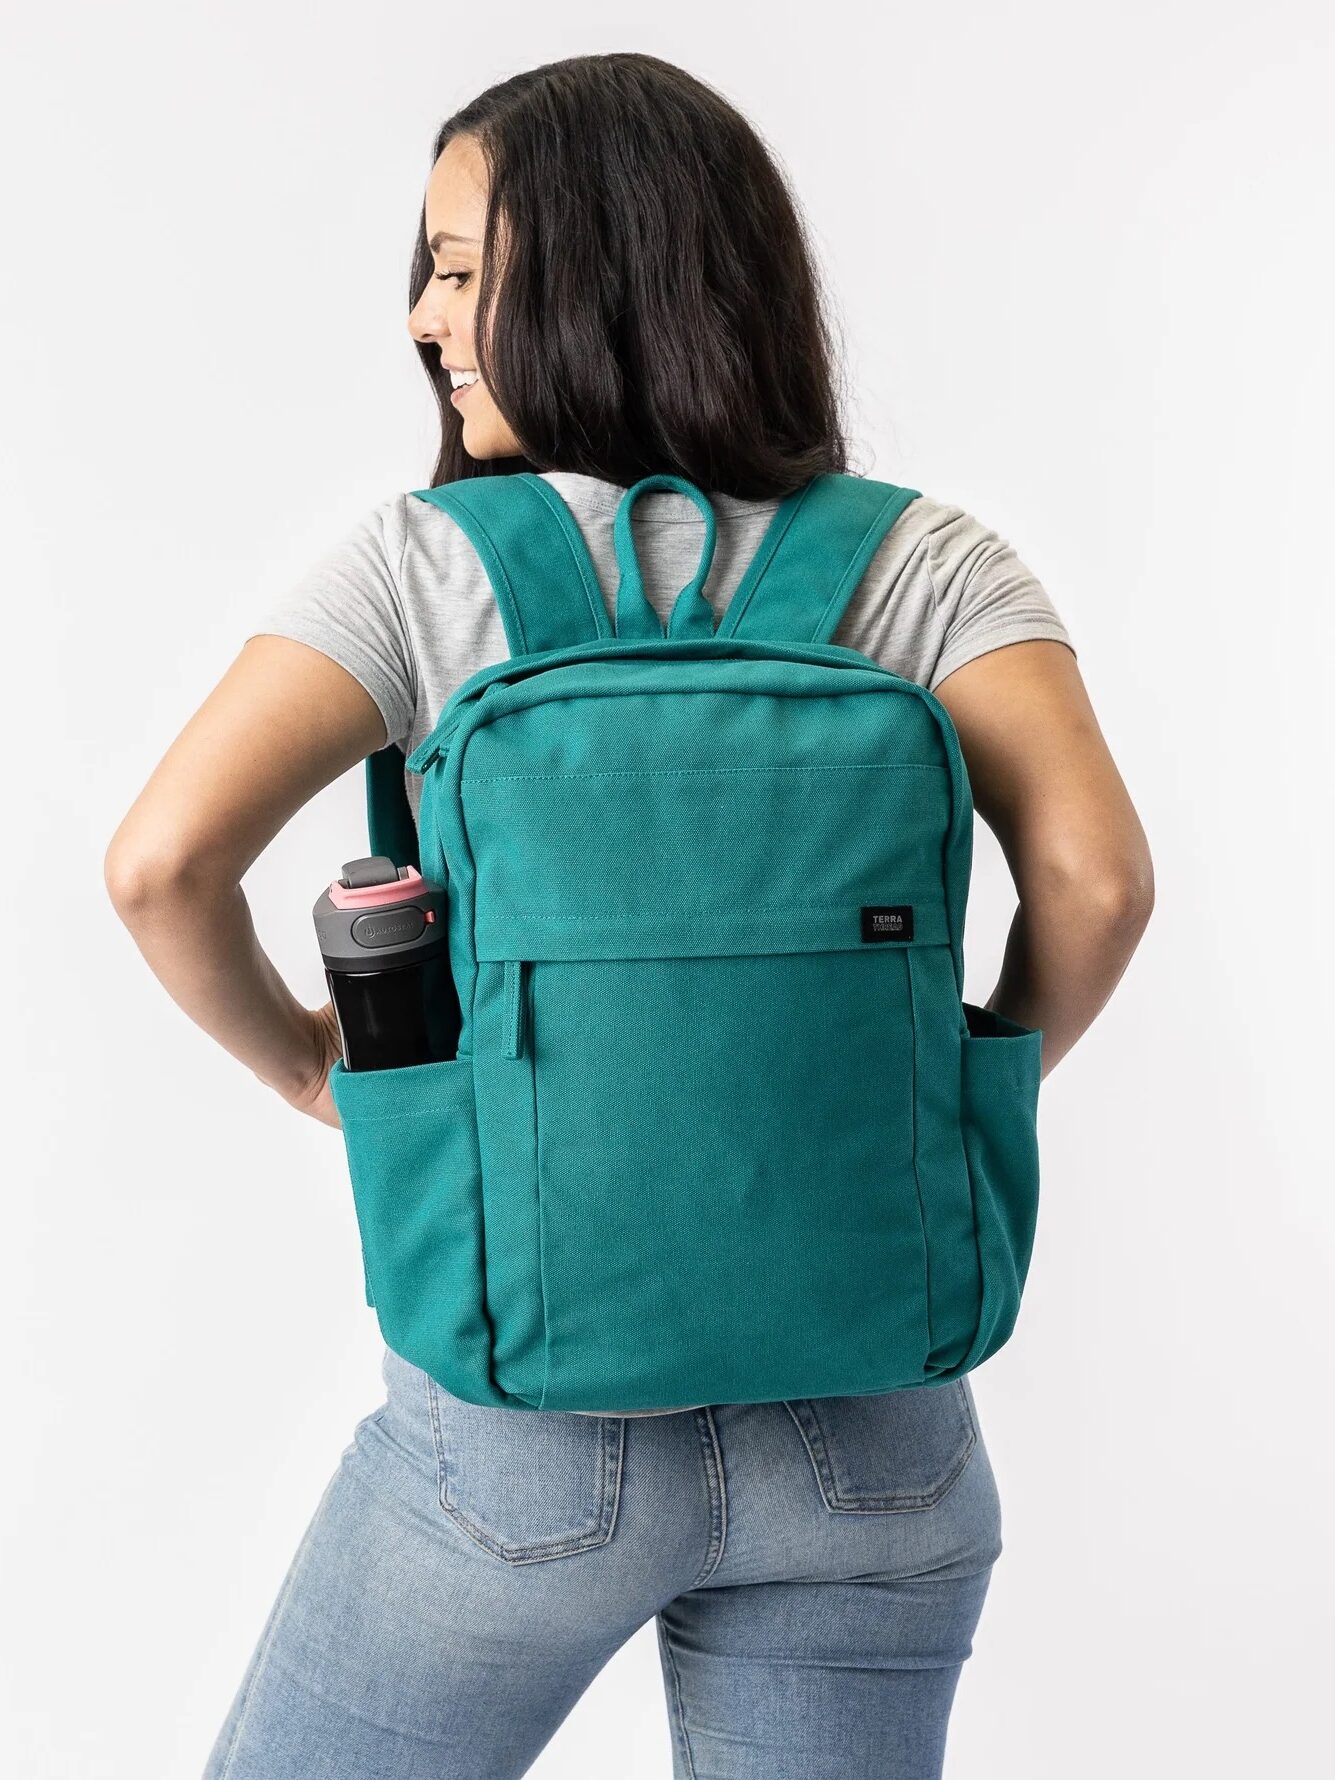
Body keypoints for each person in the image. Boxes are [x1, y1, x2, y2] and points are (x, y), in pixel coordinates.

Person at [104, 52, 1154, 1780]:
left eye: (456, 265)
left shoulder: (426, 569)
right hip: (879, 1447)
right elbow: (1102, 883)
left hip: (524, 1448)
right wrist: (965, 1083)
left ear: (596, 265)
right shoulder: (928, 563)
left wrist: (317, 1072)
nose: (426, 321)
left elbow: (160, 865)